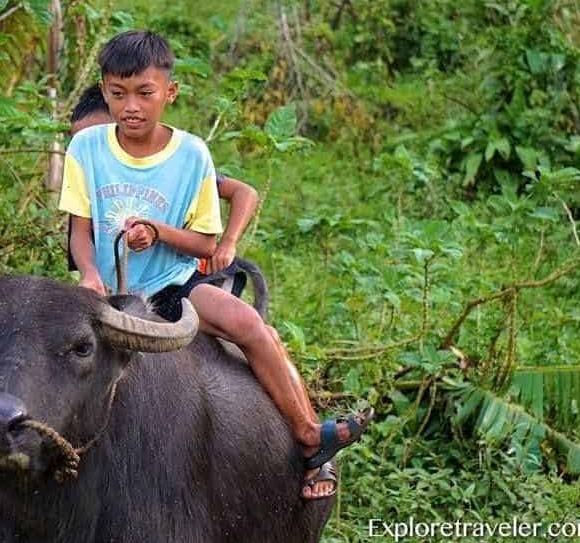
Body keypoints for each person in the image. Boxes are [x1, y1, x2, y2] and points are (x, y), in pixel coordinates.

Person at [59, 30, 371, 499]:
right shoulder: (85, 149)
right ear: (104, 91)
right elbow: (78, 230)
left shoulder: (191, 155)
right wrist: (89, 274)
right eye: (119, 94)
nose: (132, 107)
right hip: (105, 292)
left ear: (170, 92)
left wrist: (161, 232)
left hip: (172, 287)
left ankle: (309, 435)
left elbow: (205, 240)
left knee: (247, 322)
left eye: (145, 93)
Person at [66, 85, 259, 276]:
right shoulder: (85, 181)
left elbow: (244, 193)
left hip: (185, 280)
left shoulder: (177, 169)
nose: (92, 150)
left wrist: (227, 243)